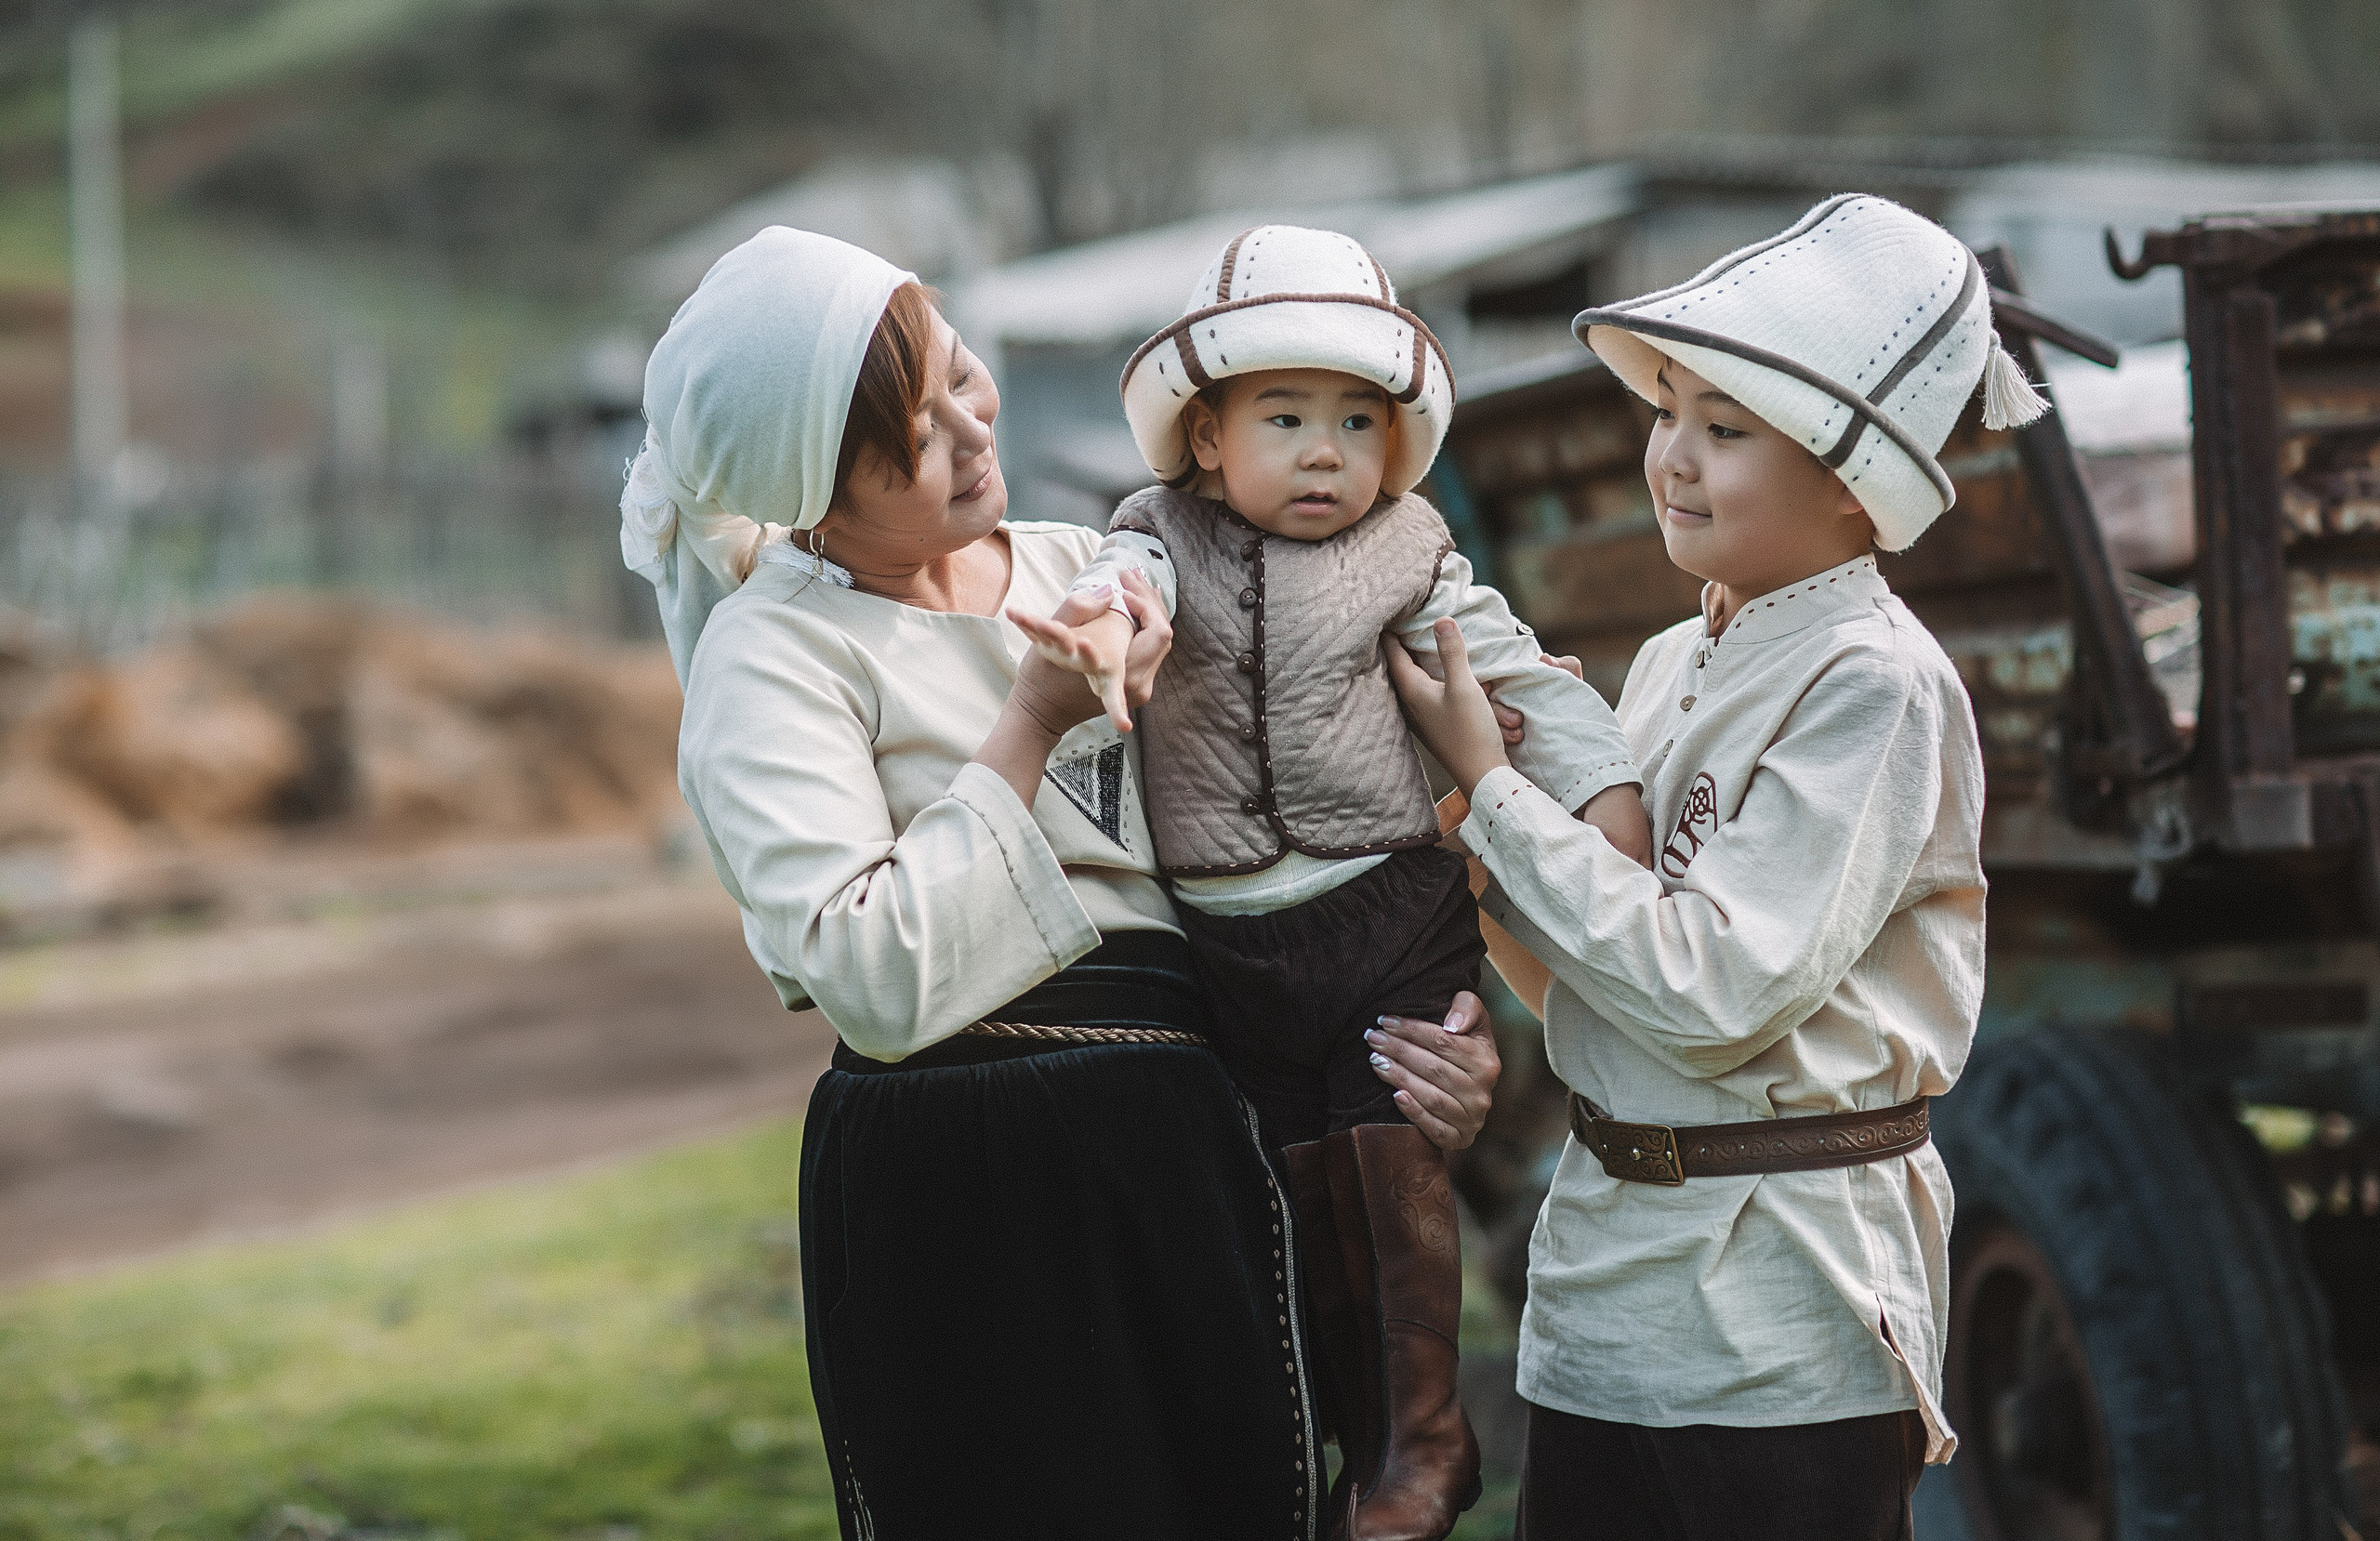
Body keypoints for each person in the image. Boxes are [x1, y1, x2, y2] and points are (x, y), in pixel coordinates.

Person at [618, 226, 1506, 1541]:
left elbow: (1292, 835)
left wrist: (1417, 1046)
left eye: (965, 379)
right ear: (812, 494)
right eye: (917, 438)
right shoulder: (776, 658)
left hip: (1190, 1146)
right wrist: (1030, 723)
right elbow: (869, 976)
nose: (975, 431)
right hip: (970, 1186)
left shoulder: (1083, 569)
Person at [1386, 195, 2030, 1541]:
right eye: (1668, 408)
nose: (1670, 456)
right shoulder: (1683, 655)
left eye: (1726, 428)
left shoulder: (1875, 681)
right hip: (1611, 1294)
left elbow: (1719, 990)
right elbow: (1599, 978)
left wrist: (1505, 805)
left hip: (1779, 1322)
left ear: (1858, 482)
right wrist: (1478, 824)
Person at [1011, 225, 1651, 1541]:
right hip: (1233, 942)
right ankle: (1337, 1448)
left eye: (1359, 423)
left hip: (1385, 913)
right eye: (1286, 416)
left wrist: (1605, 799)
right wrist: (1103, 624)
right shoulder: (1154, 539)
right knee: (1293, 1192)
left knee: (1389, 1167)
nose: (1324, 452)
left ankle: (1424, 1442)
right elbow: (1120, 591)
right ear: (1204, 437)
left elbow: (1518, 673)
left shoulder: (1411, 556)